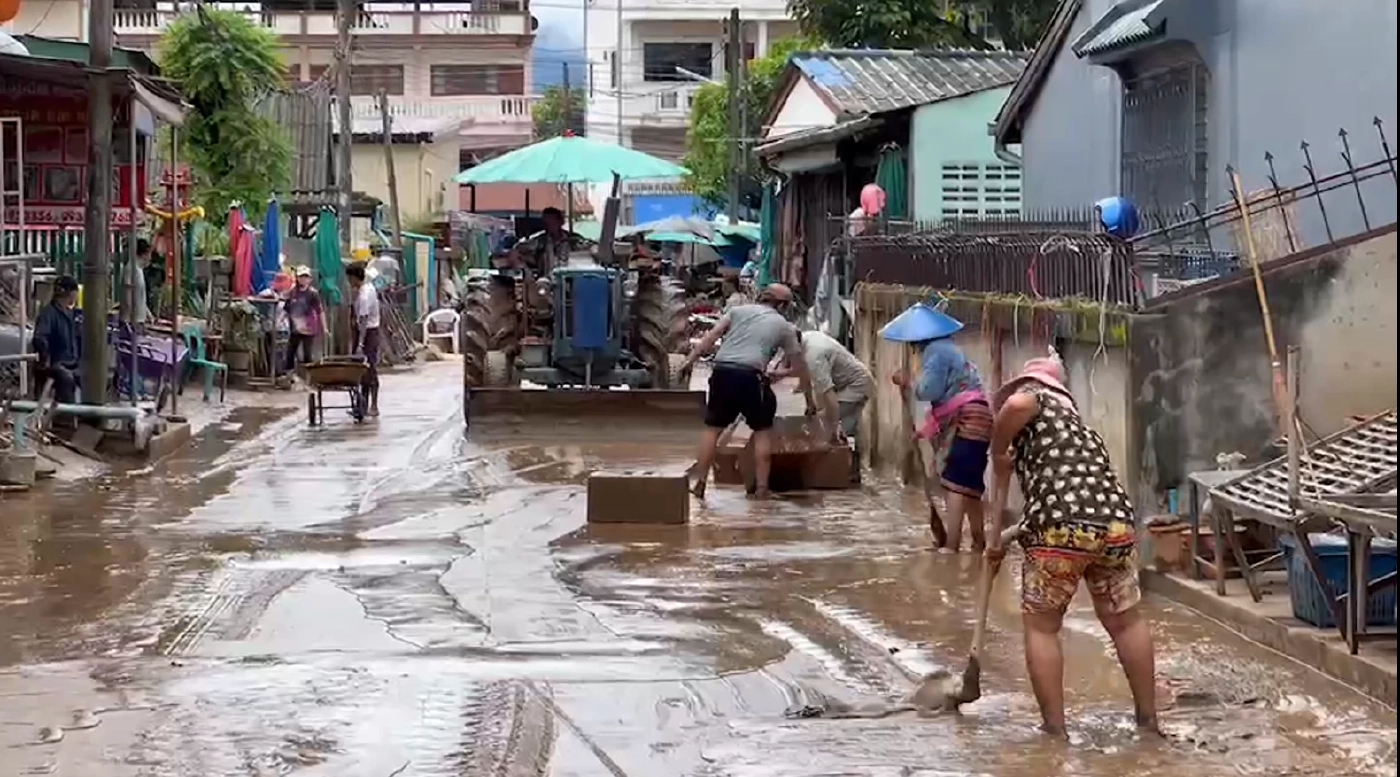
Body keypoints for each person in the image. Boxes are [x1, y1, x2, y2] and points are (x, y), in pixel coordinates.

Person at [985, 355, 1157, 738]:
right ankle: (1149, 723)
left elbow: (1015, 405)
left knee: (1043, 628)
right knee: (1126, 621)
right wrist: (999, 541)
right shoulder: (1078, 430)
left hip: (1059, 529)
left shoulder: (1033, 399)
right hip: (1114, 527)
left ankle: (1055, 730)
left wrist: (997, 451)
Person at [681, 283, 817, 500]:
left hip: (722, 371)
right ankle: (762, 489)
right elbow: (800, 367)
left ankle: (700, 483)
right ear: (782, 305)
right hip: (751, 376)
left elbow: (710, 337)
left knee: (712, 429)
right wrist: (809, 401)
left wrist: (689, 361)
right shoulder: (784, 326)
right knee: (762, 430)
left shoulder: (737, 311)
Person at [884, 303, 991, 553]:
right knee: (971, 484)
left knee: (953, 481)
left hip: (967, 418)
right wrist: (925, 430)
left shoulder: (936, 351)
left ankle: (951, 545)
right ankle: (978, 541)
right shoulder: (948, 348)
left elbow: (929, 391)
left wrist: (908, 381)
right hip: (979, 417)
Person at [768, 327, 872, 483]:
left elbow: (829, 395)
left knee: (833, 427)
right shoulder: (805, 339)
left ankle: (845, 473)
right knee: (826, 422)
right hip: (844, 384)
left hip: (856, 386)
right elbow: (805, 377)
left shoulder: (814, 356)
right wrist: (810, 404)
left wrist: (834, 423)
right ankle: (846, 471)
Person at [32, 275, 82, 405]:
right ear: (71, 293)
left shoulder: (71, 314)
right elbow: (39, 337)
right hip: (56, 363)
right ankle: (66, 417)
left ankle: (88, 415)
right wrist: (45, 356)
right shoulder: (49, 314)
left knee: (89, 377)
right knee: (66, 378)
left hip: (72, 362)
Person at [345, 263, 381, 417]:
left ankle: (374, 405)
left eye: (349, 278)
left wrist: (360, 342)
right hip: (360, 331)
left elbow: (365, 320)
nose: (348, 281)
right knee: (360, 370)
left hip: (369, 333)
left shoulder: (366, 294)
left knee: (370, 368)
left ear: (354, 278)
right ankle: (362, 405)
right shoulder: (360, 291)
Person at [283, 266, 324, 373]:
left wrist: (324, 328)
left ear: (310, 279)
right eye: (301, 277)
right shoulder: (292, 292)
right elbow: (287, 308)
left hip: (309, 328)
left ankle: (309, 377)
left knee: (307, 354)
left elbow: (320, 310)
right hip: (295, 328)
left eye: (306, 277)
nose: (303, 279)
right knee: (290, 352)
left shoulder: (313, 293)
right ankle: (289, 375)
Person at [127, 238, 153, 325]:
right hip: (133, 321)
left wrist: (148, 314)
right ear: (145, 254)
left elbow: (139, 297)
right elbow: (128, 296)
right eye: (150, 255)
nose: (150, 258)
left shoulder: (138, 270)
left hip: (138, 319)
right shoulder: (132, 270)